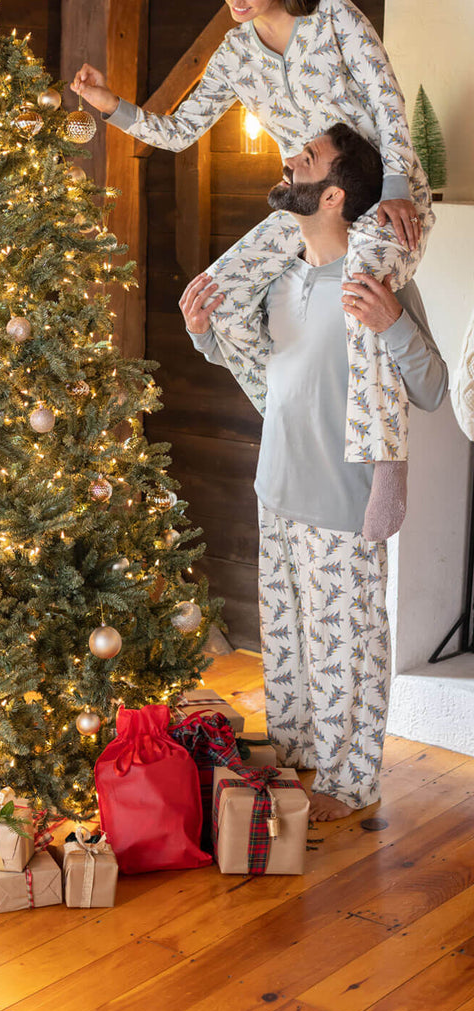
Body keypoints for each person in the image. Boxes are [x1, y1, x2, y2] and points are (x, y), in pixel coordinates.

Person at [71, 0, 435, 541]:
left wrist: (402, 184)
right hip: (306, 199)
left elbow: (384, 92)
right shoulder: (236, 53)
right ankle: (287, 417)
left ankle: (385, 461)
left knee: (362, 301)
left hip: (381, 196)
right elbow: (180, 130)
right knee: (216, 294)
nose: (235, 0)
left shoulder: (332, 16)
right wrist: (112, 106)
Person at [179, 123, 447, 820]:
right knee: (292, 642)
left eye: (307, 157)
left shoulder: (377, 280)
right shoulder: (283, 277)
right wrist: (205, 331)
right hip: (277, 487)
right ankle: (298, 759)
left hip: (345, 496)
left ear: (331, 195)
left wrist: (394, 325)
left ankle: (350, 784)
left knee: (346, 649)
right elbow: (268, 370)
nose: (288, 158)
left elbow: (432, 387)